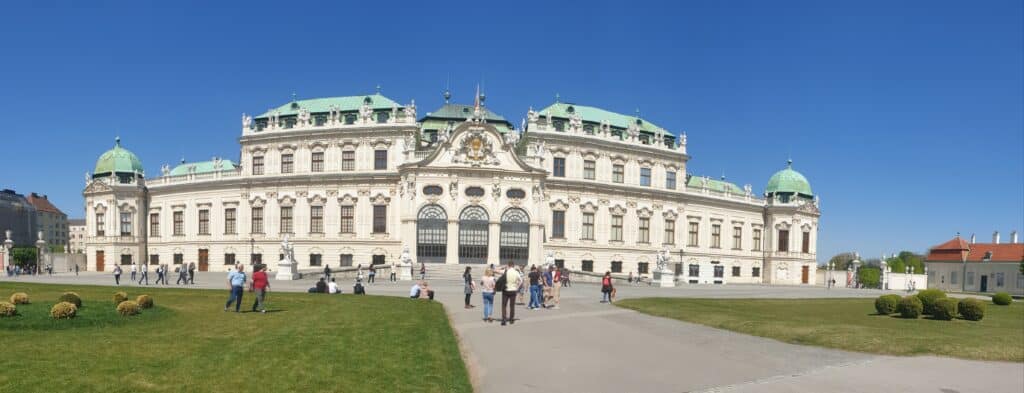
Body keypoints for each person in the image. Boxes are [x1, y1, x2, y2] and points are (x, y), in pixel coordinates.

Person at [500, 261, 522, 326]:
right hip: (513, 290)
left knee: (504, 305)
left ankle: (504, 319)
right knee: (512, 306)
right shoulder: (516, 272)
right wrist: (517, 287)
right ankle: (511, 319)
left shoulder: (505, 271)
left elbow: (495, 271)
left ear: (508, 265)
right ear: (513, 265)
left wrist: (502, 267)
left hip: (506, 290)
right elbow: (521, 281)